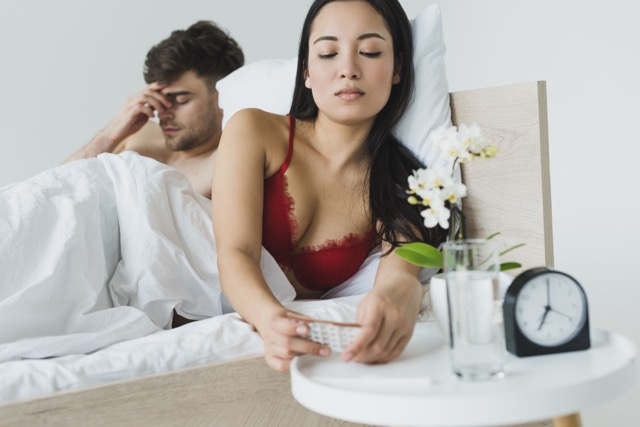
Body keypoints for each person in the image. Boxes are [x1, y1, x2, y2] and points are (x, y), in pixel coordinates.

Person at [212, 0, 447, 371]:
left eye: (369, 52)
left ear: (398, 67)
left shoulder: (404, 186)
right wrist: (270, 319)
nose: (348, 70)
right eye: (327, 53)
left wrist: (402, 295)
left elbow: (398, 277)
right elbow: (235, 252)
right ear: (306, 70)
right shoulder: (255, 130)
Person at [64, 20, 244, 198]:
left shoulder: (226, 162)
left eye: (181, 100)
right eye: (160, 99)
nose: (163, 112)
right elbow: (53, 188)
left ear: (222, 99)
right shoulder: (138, 135)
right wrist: (109, 134)